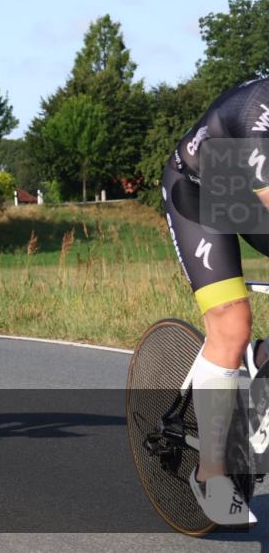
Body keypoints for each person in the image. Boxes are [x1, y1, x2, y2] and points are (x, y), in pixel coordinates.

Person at [162, 77, 269, 525]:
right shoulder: (259, 115)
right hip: (202, 192)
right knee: (231, 323)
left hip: (247, 192)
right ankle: (211, 471)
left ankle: (261, 360)